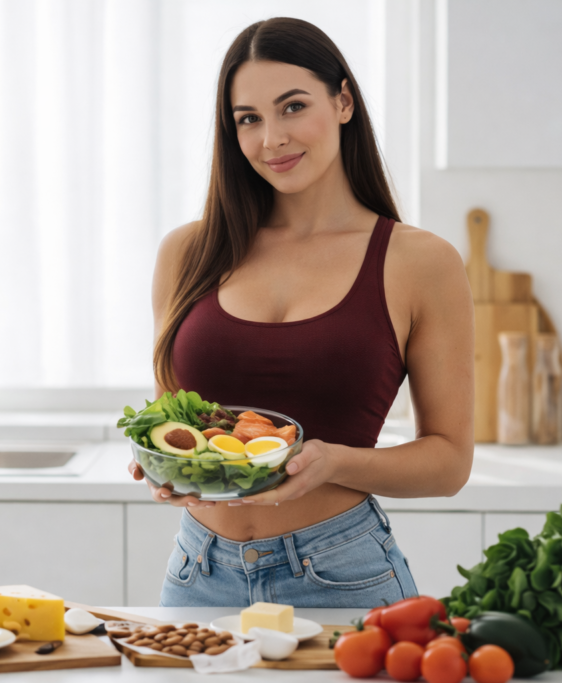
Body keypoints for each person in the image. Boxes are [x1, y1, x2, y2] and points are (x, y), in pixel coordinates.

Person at [129, 17, 474, 608]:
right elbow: (178, 418)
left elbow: (448, 462)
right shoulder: (188, 252)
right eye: (249, 119)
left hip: (344, 574)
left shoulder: (420, 262)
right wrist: (167, 467)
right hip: (198, 574)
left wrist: (333, 463)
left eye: (292, 107)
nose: (272, 139)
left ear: (343, 101)